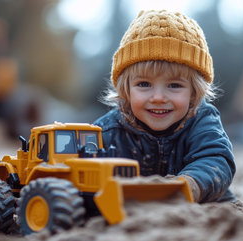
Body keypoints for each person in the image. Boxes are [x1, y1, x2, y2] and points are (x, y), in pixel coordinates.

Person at [93, 10, 235, 203]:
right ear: (126, 90)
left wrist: (190, 185)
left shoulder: (202, 120)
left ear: (194, 92)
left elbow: (217, 159)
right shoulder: (108, 131)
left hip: (198, 205)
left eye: (174, 85)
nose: (158, 98)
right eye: (144, 84)